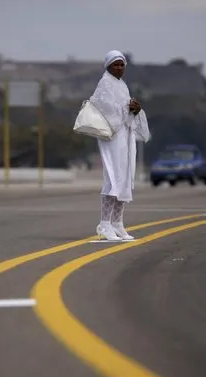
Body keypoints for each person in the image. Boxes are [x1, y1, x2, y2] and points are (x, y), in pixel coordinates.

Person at [89, 50, 150, 241]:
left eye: (122, 64)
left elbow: (125, 110)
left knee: (124, 178)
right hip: (111, 136)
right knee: (113, 177)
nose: (119, 68)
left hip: (124, 135)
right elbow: (102, 107)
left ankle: (117, 223)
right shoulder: (104, 83)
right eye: (115, 64)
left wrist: (135, 109)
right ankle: (104, 224)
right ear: (107, 66)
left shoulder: (122, 85)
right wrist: (126, 108)